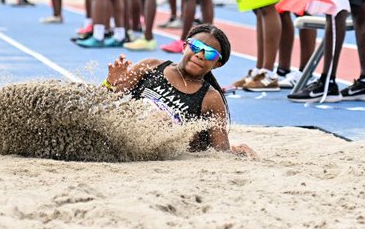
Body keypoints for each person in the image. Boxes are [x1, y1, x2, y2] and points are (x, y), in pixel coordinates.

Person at [103, 23, 254, 155]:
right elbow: (105, 98)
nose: (200, 55)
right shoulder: (151, 65)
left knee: (160, 118)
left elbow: (220, 151)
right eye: (196, 47)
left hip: (155, 144)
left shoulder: (211, 98)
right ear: (184, 47)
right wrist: (111, 82)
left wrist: (237, 151)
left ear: (217, 64)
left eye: (210, 53)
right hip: (124, 127)